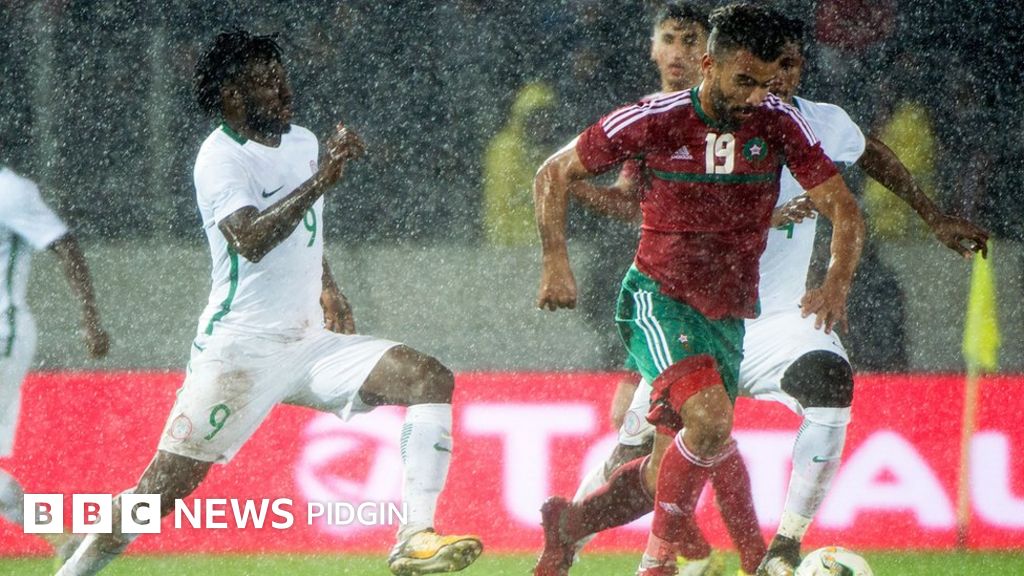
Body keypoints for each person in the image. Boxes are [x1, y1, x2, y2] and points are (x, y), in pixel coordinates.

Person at [561, 12, 990, 576]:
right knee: (636, 447)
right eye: (763, 69)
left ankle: (782, 547)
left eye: (787, 65)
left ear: (799, 67)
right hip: (695, 313)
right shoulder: (680, 121)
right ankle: (566, 540)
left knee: (831, 383)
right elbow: (640, 199)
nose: (775, 80)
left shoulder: (815, 123)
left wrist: (928, 218)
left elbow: (871, 158)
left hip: (779, 316)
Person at [56, 30, 481, 576]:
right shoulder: (220, 158)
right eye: (266, 83)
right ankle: (76, 567)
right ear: (232, 96)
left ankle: (414, 537)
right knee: (158, 494)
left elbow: (304, 226)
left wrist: (327, 284)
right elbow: (249, 238)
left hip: (309, 342)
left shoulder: (302, 141)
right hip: (240, 352)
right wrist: (323, 180)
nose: (284, 92)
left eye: (282, 78)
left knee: (429, 378)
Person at [532, 4, 865, 576]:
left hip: (728, 313)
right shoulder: (655, 118)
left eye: (766, 84)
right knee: (711, 424)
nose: (757, 97)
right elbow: (553, 172)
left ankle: (569, 525)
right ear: (710, 65)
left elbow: (845, 210)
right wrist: (556, 262)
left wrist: (836, 282)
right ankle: (659, 565)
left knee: (661, 475)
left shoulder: (778, 122)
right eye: (745, 81)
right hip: (659, 299)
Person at [0, 164, 110, 561]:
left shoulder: (8, 191)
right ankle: (66, 541)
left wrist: (89, 317)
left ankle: (65, 539)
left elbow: (65, 245)